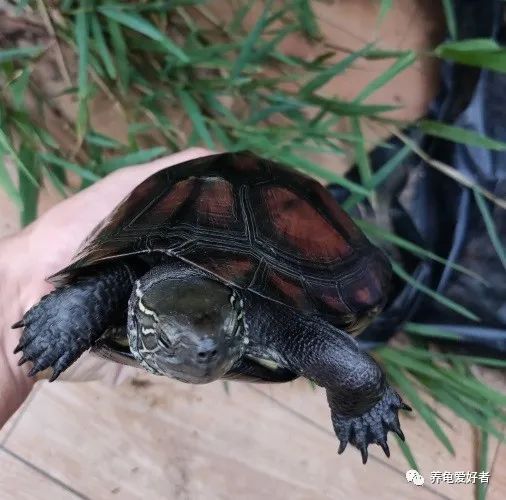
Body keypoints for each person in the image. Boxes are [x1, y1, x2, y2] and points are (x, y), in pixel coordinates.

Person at [0, 148, 213, 430]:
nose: (204, 347)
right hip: (155, 256)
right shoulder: (136, 276)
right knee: (107, 285)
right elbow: (120, 274)